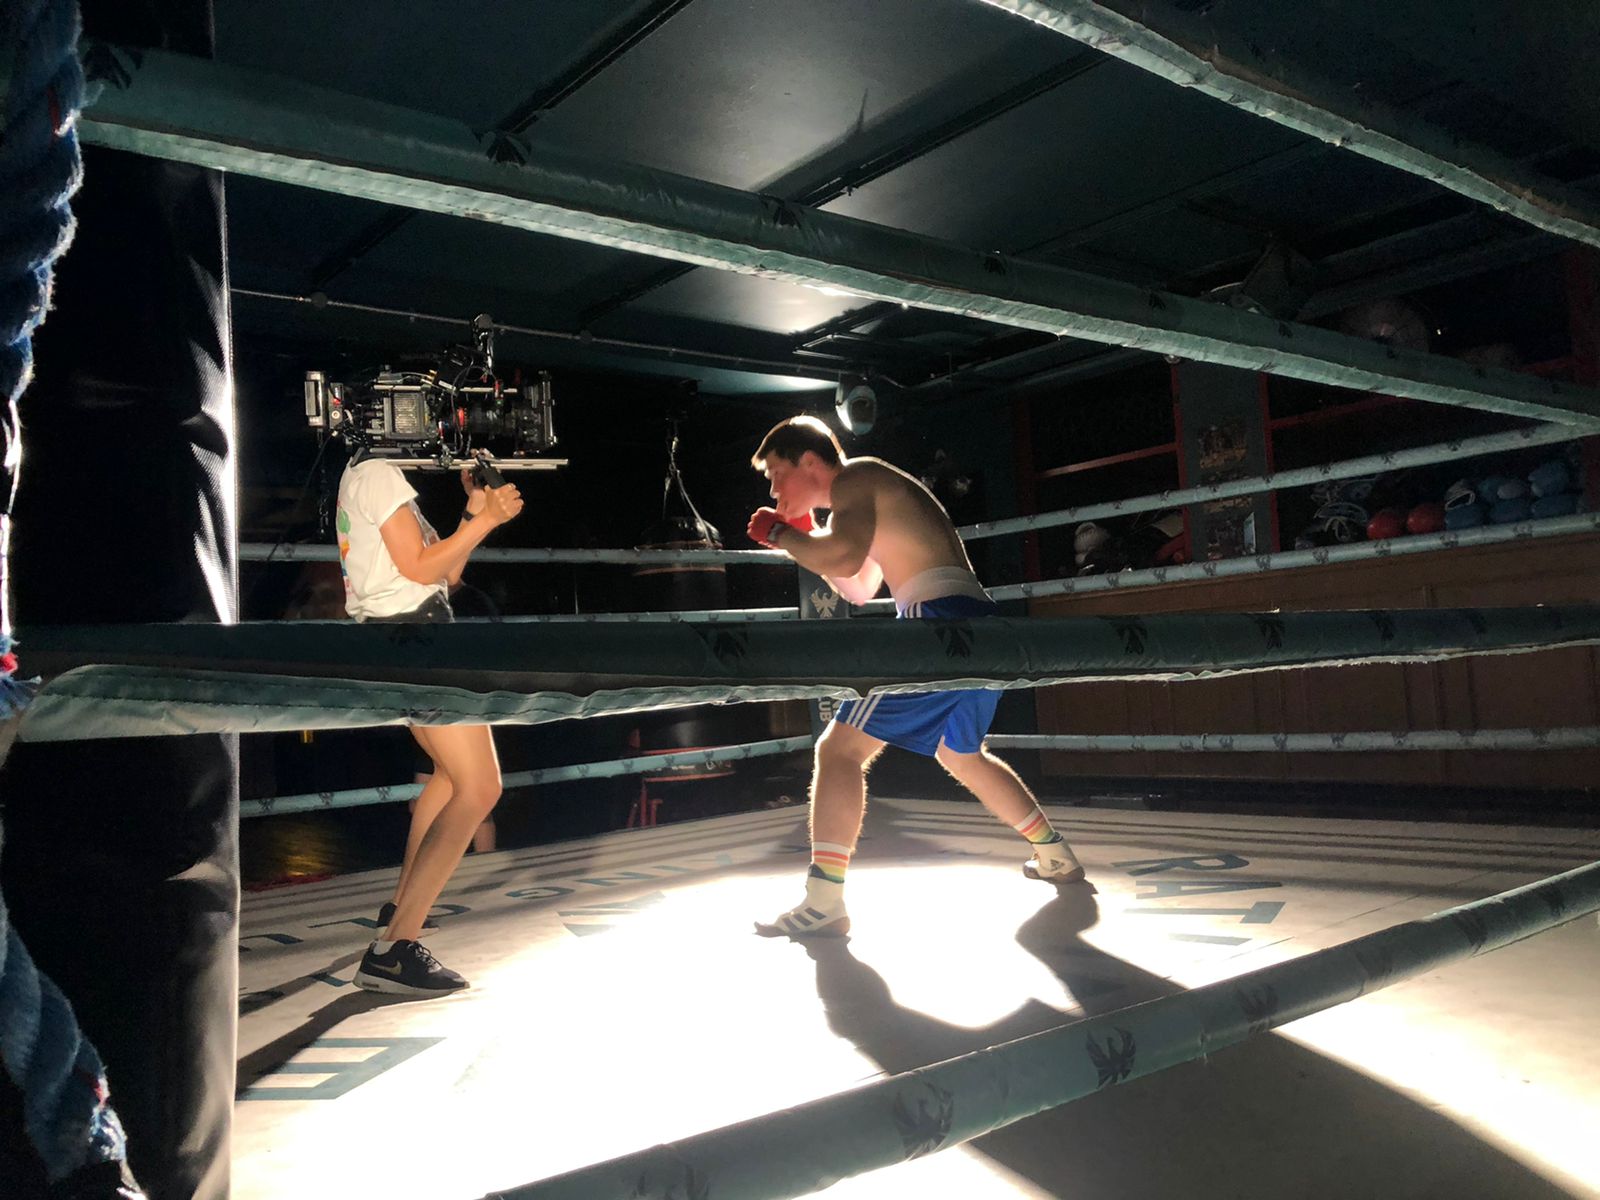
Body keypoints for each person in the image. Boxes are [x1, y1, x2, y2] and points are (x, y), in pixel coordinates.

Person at [746, 416, 1084, 938]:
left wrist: (784, 533)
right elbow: (858, 586)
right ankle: (1055, 854)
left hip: (938, 622)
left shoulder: (855, 477)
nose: (772, 489)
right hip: (978, 624)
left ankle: (823, 901)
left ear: (808, 462)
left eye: (775, 474)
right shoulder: (867, 492)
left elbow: (842, 555)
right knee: (961, 754)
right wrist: (805, 533)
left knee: (837, 752)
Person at [336, 449, 524, 994]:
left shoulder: (366, 475)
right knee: (481, 786)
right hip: (416, 637)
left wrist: (472, 514)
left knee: (448, 779)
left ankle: (398, 911)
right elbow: (418, 569)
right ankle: (394, 949)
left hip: (410, 634)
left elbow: (447, 570)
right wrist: (490, 518)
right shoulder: (378, 473)